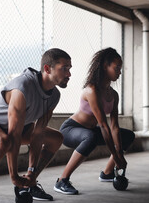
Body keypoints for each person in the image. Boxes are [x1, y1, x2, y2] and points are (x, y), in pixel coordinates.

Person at [0, 48, 72, 203]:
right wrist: (14, 177)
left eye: (70, 69)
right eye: (64, 68)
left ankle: (31, 183)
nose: (69, 74)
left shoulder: (54, 95)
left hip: (15, 129)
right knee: (3, 142)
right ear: (48, 69)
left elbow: (38, 133)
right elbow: (14, 135)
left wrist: (31, 174)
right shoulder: (23, 87)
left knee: (56, 138)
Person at [54, 47, 135, 195]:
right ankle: (62, 181)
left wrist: (120, 156)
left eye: (120, 68)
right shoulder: (91, 90)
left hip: (91, 131)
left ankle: (108, 173)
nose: (120, 72)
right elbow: (104, 126)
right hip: (71, 130)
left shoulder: (114, 95)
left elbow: (114, 127)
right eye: (117, 68)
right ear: (105, 66)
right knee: (90, 137)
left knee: (128, 135)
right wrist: (117, 156)